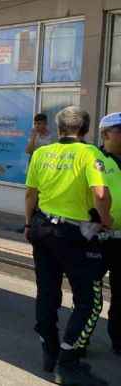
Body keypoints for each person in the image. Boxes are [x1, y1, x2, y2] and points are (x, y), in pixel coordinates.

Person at [24, 106, 112, 385]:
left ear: (59, 128)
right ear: (85, 130)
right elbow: (100, 193)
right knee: (88, 300)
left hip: (41, 228)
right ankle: (68, 358)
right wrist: (106, 219)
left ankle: (48, 349)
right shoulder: (90, 154)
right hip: (74, 235)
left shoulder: (41, 153)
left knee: (47, 292)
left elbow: (30, 194)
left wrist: (28, 224)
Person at [97, 112, 121, 356]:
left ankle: (118, 340)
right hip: (99, 237)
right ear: (106, 134)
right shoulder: (94, 159)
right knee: (90, 294)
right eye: (120, 131)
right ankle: (78, 341)